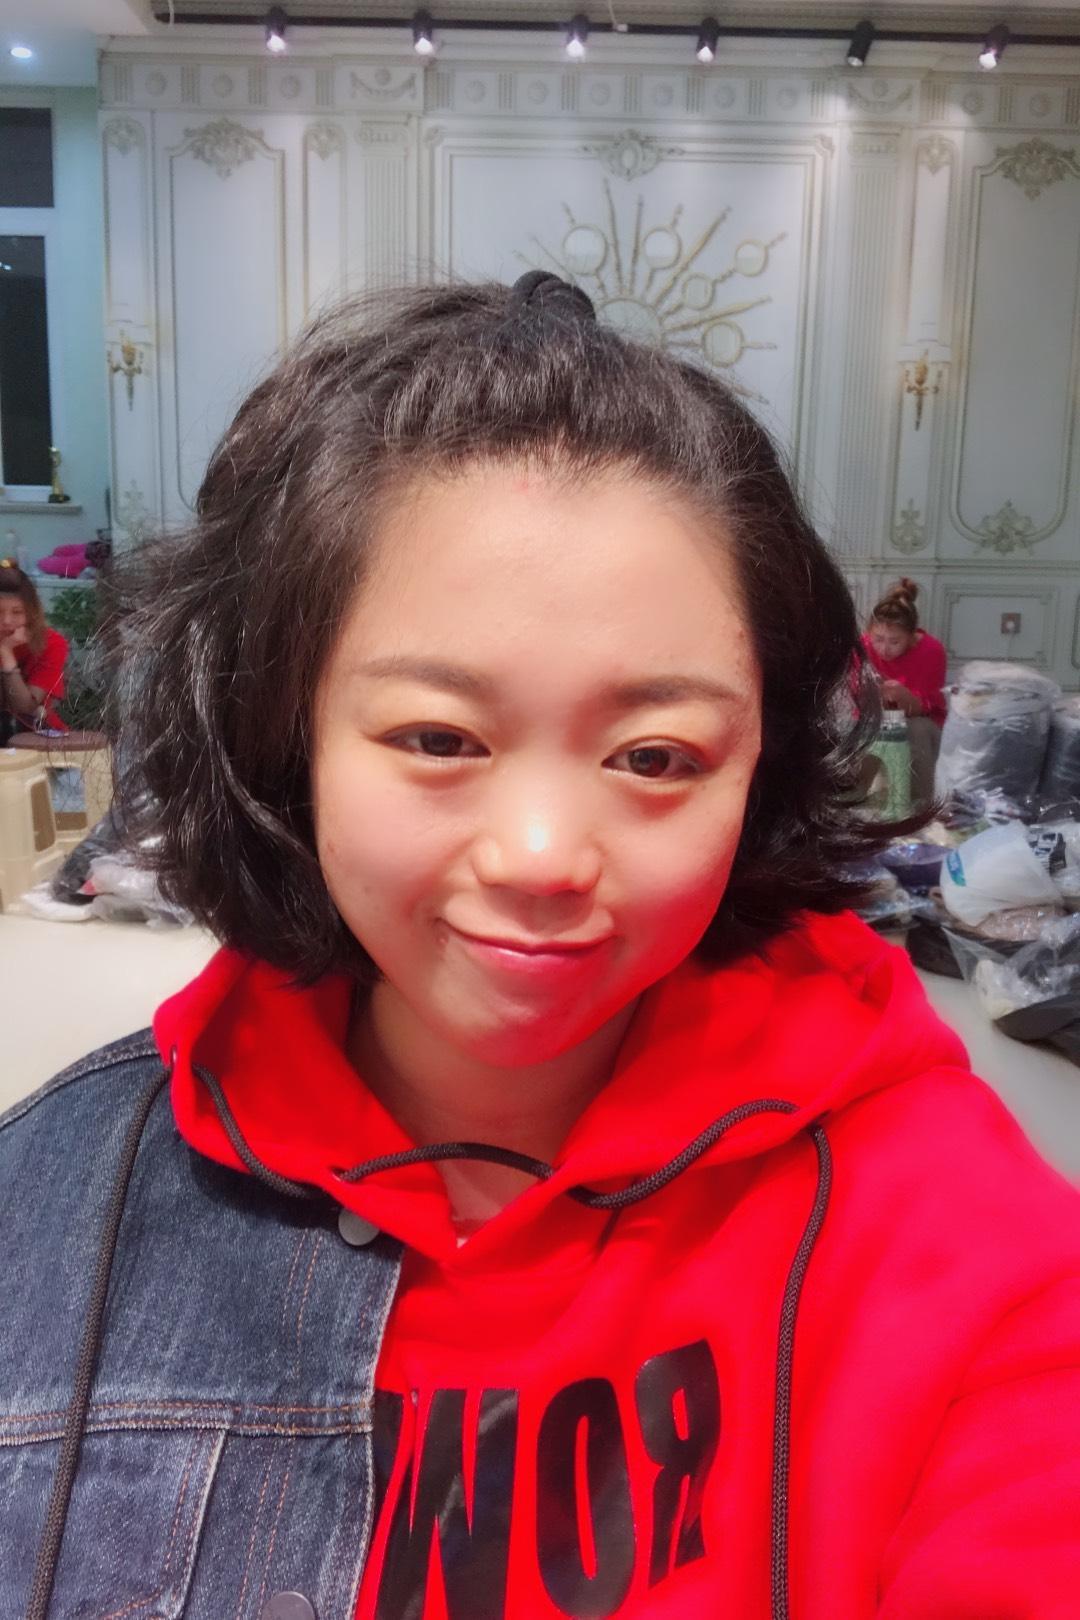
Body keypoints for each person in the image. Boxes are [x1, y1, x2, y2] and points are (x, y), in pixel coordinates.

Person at [2, 276, 1079, 1620]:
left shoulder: (959, 1243)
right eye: (438, 738)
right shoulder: (51, 1211)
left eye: (655, 757)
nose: (541, 856)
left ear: (760, 774)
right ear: (287, 736)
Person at [862, 578, 947, 806]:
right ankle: (850, 799)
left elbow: (931, 706)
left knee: (914, 729)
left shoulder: (931, 651)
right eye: (878, 639)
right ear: (869, 633)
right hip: (875, 716)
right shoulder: (863, 647)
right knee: (860, 731)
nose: (884, 649)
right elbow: (854, 696)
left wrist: (906, 699)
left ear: (911, 638)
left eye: (894, 642)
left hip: (921, 721)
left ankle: (920, 806)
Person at [0, 557, 69, 742]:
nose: (6, 621)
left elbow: (25, 708)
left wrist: (6, 653)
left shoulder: (52, 643)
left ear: (31, 612)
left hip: (35, 737)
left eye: (17, 612)